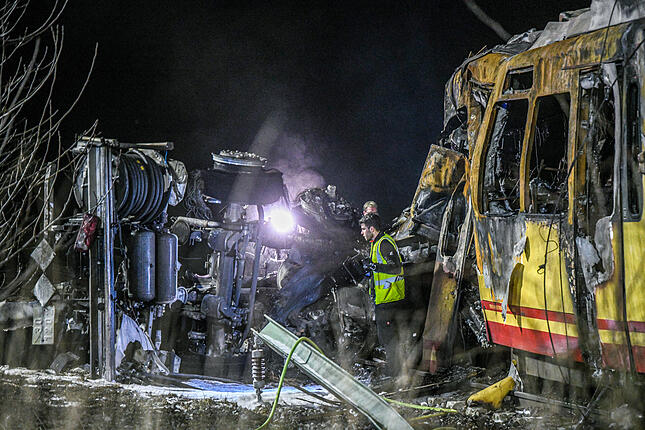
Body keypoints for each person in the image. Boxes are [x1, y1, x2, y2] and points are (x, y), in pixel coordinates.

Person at [359, 212, 406, 379]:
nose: (362, 232)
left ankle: (396, 373)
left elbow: (395, 267)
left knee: (389, 338)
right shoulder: (376, 243)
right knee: (386, 337)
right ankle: (395, 370)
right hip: (383, 299)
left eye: (364, 229)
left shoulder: (384, 243)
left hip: (390, 299)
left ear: (372, 228)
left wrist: (373, 266)